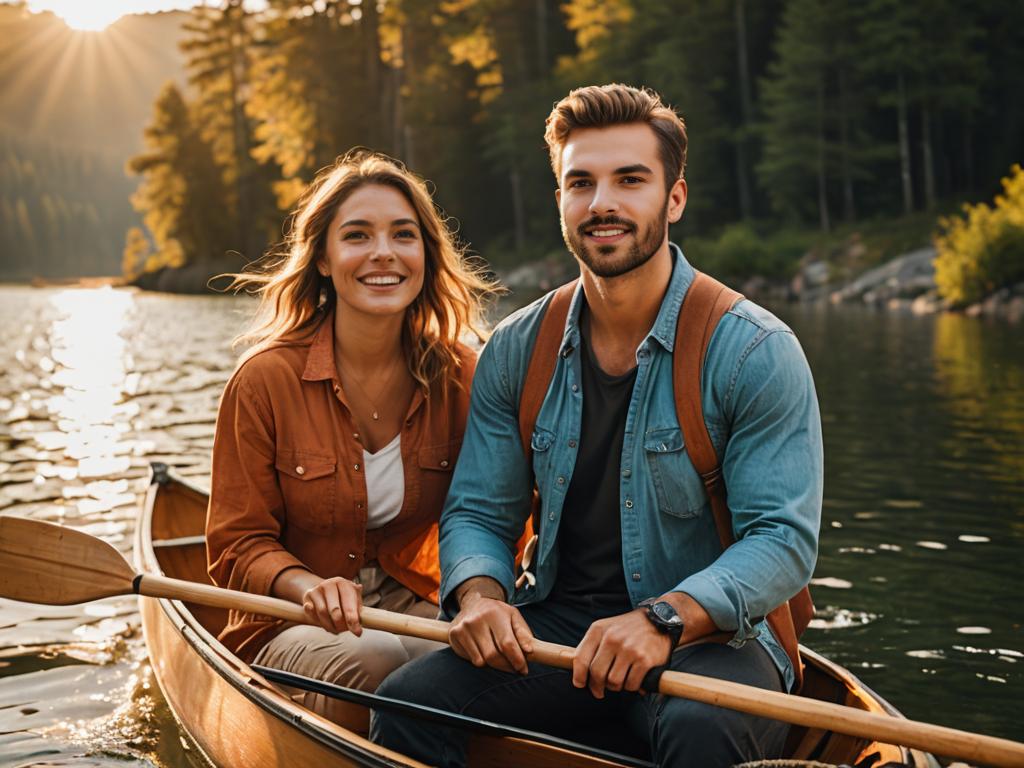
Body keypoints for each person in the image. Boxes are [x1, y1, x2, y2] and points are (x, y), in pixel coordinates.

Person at [370, 84, 823, 766]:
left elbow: (782, 541)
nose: (602, 203)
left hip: (713, 640)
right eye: (580, 182)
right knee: (405, 705)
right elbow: (478, 512)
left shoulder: (755, 352)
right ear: (560, 201)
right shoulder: (517, 349)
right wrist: (482, 597)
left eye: (630, 180)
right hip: (556, 629)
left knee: (702, 734)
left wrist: (663, 618)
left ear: (674, 199)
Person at [205, 149, 496, 724]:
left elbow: (500, 511)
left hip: (417, 603)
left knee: (464, 664)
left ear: (426, 256)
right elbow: (236, 547)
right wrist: (307, 585)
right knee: (377, 659)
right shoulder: (265, 381)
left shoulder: (464, 375)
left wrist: (481, 599)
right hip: (286, 620)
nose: (383, 253)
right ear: (323, 258)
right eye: (357, 235)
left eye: (403, 235)